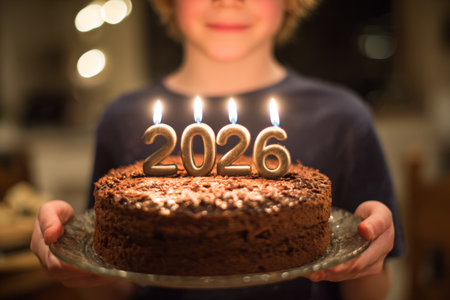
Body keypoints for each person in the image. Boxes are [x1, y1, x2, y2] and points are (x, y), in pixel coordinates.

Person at [31, 0, 404, 299]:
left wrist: (369, 250)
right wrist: (75, 264)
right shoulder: (121, 118)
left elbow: (372, 288)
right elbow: (114, 278)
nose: (228, 2)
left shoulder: (343, 118)